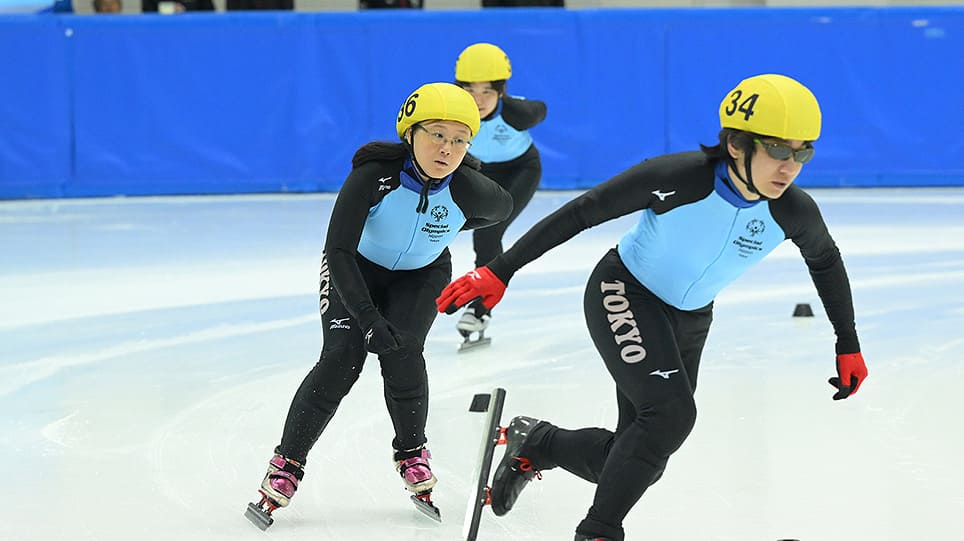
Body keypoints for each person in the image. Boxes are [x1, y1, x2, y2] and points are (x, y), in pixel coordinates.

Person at [436, 74, 869, 541]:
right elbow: (585, 210)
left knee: (639, 457)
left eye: (803, 152)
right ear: (738, 145)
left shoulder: (791, 210)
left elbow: (825, 260)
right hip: (624, 292)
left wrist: (848, 342)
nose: (790, 167)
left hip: (690, 318)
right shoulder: (676, 178)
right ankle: (598, 532)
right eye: (779, 151)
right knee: (669, 417)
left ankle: (540, 442)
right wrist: (501, 269)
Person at [245, 82, 512, 527]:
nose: (448, 148)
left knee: (404, 350)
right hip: (356, 268)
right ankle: (287, 463)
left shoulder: (472, 190)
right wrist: (367, 318)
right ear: (410, 133)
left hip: (422, 275)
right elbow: (339, 251)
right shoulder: (373, 176)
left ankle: (412, 452)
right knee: (342, 357)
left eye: (460, 139)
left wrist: (442, 229)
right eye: (437, 135)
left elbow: (499, 211)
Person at [452, 42, 547, 347]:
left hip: (521, 170)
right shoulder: (454, 112)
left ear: (501, 92)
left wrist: (520, 105)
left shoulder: (517, 113)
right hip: (480, 172)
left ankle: (480, 307)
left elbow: (541, 109)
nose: (478, 101)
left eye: (487, 92)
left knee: (488, 233)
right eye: (470, 91)